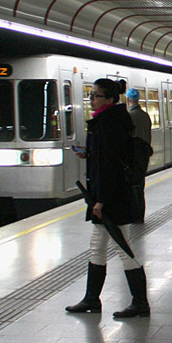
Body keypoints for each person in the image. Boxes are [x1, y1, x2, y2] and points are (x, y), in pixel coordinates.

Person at [67, 78, 149, 318]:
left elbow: (110, 167)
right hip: (109, 196)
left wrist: (101, 201)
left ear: (110, 99)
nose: (91, 100)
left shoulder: (107, 124)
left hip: (111, 199)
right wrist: (89, 154)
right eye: (90, 96)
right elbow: (106, 159)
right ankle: (92, 299)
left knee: (123, 248)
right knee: (97, 247)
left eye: (95, 96)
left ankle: (140, 303)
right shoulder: (109, 121)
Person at [125, 88, 153, 218]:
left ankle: (135, 215)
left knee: (134, 186)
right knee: (140, 185)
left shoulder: (129, 117)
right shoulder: (145, 116)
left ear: (128, 100)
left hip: (134, 155)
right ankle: (140, 213)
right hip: (144, 154)